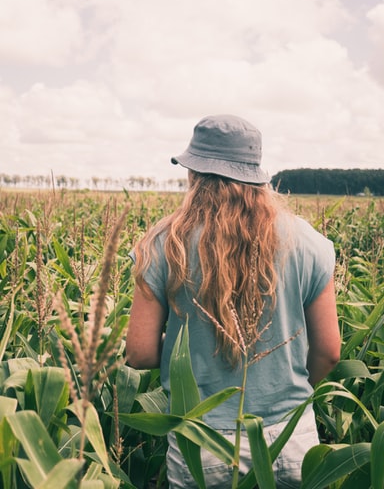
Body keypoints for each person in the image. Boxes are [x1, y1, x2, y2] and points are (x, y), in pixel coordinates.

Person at [126, 114, 341, 489]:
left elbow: (139, 354)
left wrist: (193, 354)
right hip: (292, 438)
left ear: (194, 174)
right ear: (257, 174)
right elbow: (329, 352)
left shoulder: (162, 244)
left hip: (202, 442)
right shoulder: (308, 243)